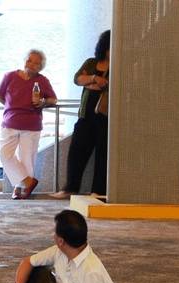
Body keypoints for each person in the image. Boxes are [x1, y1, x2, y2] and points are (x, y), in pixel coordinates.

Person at [51, 30, 110, 200]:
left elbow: (112, 85)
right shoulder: (91, 63)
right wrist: (94, 79)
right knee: (76, 151)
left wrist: (90, 82)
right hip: (85, 115)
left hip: (106, 117)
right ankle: (71, 187)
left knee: (103, 155)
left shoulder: (118, 65)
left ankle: (98, 191)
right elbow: (77, 79)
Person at [0, 49, 57, 199]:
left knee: (27, 158)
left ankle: (20, 188)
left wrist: (43, 102)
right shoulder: (10, 76)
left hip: (31, 124)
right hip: (10, 121)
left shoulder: (42, 81)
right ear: (25, 60)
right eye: (29, 60)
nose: (31, 64)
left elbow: (53, 99)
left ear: (41, 67)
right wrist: (11, 107)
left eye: (36, 63)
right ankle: (28, 182)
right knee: (4, 154)